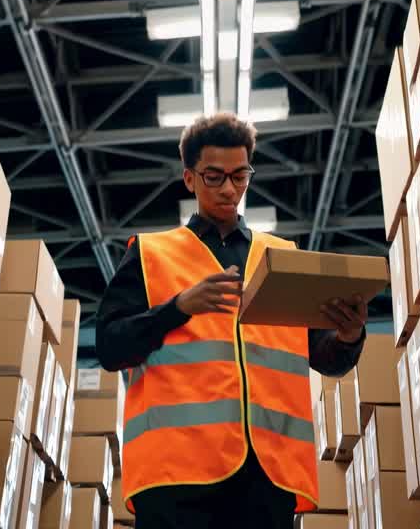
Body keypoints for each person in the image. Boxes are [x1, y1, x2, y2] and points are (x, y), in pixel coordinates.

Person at [96, 112, 368, 529]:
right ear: (189, 178)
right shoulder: (151, 255)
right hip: (176, 480)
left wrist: (349, 337)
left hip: (266, 476)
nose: (229, 189)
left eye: (240, 175)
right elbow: (110, 347)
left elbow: (323, 357)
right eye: (214, 177)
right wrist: (178, 307)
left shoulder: (281, 258)